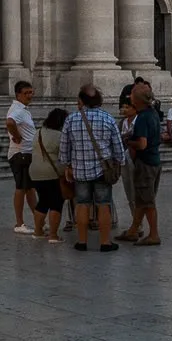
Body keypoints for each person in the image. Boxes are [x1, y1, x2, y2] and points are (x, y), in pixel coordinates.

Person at [60, 86, 124, 252]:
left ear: (82, 101)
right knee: (103, 204)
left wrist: (67, 165)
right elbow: (117, 146)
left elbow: (64, 146)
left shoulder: (71, 119)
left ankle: (82, 241)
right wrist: (118, 163)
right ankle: (105, 242)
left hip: (80, 170)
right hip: (102, 170)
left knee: (82, 204)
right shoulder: (108, 118)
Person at [118, 83, 162, 245]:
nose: (130, 97)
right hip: (155, 160)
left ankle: (154, 234)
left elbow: (142, 144)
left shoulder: (142, 117)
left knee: (147, 201)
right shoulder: (153, 113)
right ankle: (133, 230)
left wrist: (129, 142)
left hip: (145, 162)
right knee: (142, 199)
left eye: (133, 95)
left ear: (138, 100)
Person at [27, 107, 66, 242]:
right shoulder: (60, 136)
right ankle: (53, 235)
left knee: (43, 201)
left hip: (35, 172)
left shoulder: (38, 133)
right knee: (56, 202)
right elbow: (65, 155)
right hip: (52, 173)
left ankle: (38, 231)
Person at [4, 81, 37, 234]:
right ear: (18, 95)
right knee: (21, 187)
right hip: (20, 153)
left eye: (31, 92)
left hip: (27, 153)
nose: (30, 95)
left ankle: (38, 218)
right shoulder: (17, 109)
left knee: (29, 188)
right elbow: (10, 122)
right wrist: (17, 136)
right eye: (26, 93)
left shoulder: (23, 109)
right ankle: (19, 223)